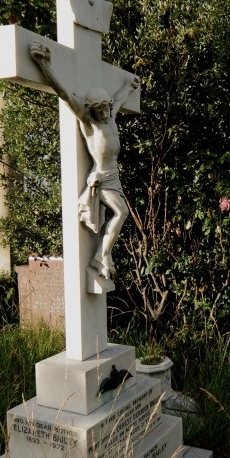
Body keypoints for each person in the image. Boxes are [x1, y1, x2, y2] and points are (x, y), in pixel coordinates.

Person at [29, 42, 139, 280]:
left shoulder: (111, 118)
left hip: (114, 177)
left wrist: (129, 86)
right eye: (101, 110)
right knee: (121, 214)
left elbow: (119, 98)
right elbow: (64, 93)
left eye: (107, 108)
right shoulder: (89, 123)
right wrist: (43, 63)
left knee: (122, 214)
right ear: (92, 110)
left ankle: (103, 255)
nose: (106, 113)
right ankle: (103, 256)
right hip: (101, 179)